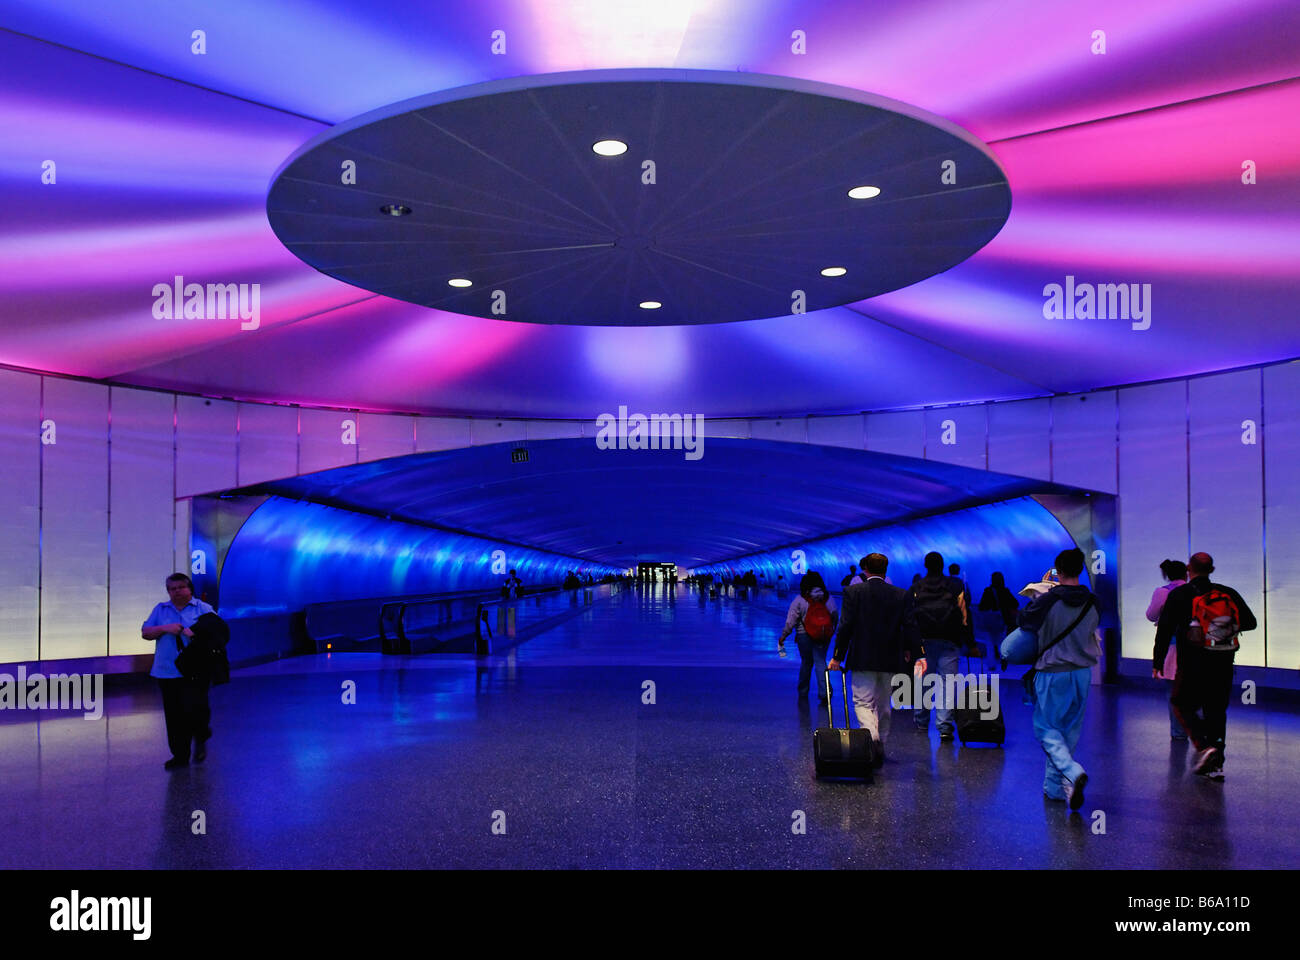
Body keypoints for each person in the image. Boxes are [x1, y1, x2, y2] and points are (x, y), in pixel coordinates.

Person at [1154, 552, 1257, 778]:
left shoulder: (1181, 595)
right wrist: (1220, 629)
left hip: (1192, 663)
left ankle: (1203, 746)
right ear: (1212, 570)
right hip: (1223, 661)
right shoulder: (1227, 593)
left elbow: (1165, 630)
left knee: (1180, 703)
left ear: (1189, 569)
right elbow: (1251, 622)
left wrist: (1158, 661)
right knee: (1216, 711)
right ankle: (1217, 764)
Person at [1018, 548, 1101, 809]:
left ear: (1058, 570)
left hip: (1053, 671)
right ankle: (1054, 788)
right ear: (1080, 569)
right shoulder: (1093, 601)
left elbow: (1024, 623)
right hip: (1082, 673)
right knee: (1069, 731)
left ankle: (1072, 771)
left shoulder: (1047, 600)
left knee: (1045, 729)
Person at [828, 553, 918, 765]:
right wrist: (911, 651)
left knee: (863, 701)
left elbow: (845, 627)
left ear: (865, 569)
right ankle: (881, 744)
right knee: (885, 704)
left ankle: (873, 739)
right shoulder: (900, 594)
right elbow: (909, 625)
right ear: (886, 570)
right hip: (890, 658)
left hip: (863, 657)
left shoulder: (853, 592)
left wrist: (837, 657)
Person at [141, 573, 217, 770]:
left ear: (189, 588)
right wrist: (166, 628)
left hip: (196, 671)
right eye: (172, 589)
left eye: (180, 588)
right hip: (167, 671)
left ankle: (200, 737)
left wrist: (196, 633)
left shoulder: (203, 609)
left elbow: (218, 633)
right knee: (174, 716)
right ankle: (179, 755)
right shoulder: (161, 609)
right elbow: (146, 632)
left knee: (197, 709)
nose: (176, 592)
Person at [910, 552, 968, 739]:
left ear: (925, 565)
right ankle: (944, 726)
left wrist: (909, 644)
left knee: (922, 683)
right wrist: (971, 642)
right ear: (942, 565)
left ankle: (921, 722)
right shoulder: (956, 585)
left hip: (923, 644)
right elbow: (965, 615)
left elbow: (909, 619)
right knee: (947, 684)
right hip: (949, 640)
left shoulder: (916, 587)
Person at [778, 571, 839, 706]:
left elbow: (791, 621)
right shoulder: (828, 598)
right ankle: (825, 693)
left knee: (806, 662)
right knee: (820, 661)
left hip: (803, 635)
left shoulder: (800, 600)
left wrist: (784, 636)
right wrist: (831, 629)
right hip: (823, 636)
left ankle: (803, 691)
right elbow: (835, 615)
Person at [1146, 559, 1188, 740]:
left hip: (1171, 647)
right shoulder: (1195, 590)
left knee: (1173, 693)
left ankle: (1179, 733)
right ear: (1186, 573)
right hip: (1197, 647)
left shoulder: (1163, 592)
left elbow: (1151, 615)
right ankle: (1199, 732)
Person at [977, 572, 1020, 667]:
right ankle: (1003, 662)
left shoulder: (987, 591)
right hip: (1002, 620)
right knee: (1002, 642)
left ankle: (991, 664)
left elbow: (981, 606)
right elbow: (1015, 603)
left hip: (989, 622)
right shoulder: (1005, 591)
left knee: (990, 644)